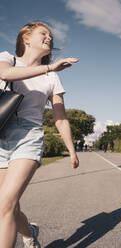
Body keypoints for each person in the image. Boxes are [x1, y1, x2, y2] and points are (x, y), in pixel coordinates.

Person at [0, 21, 79, 248]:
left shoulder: (52, 78)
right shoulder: (8, 58)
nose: (49, 38)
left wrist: (72, 150)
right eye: (43, 33)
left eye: (51, 35)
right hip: (2, 132)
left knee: (5, 203)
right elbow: (5, 73)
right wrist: (50, 67)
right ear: (26, 38)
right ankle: (29, 232)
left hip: (29, 135)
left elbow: (60, 118)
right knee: (10, 207)